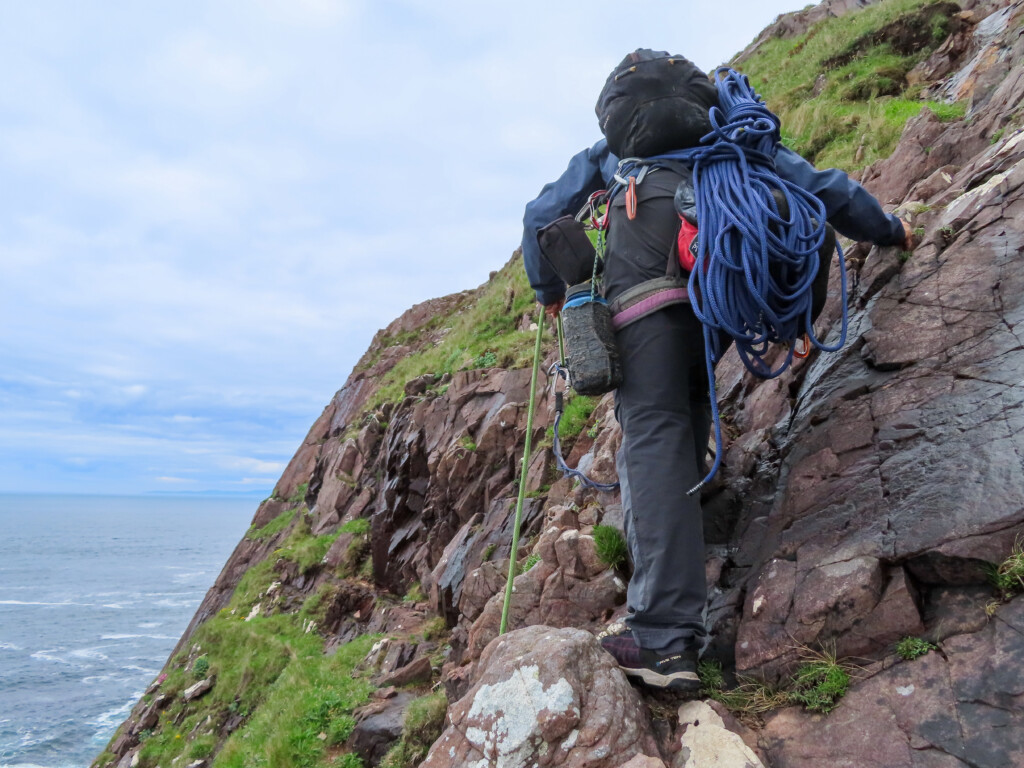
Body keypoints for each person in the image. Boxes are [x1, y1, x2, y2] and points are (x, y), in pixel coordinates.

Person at [520, 50, 912, 691]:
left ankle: (662, 642)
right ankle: (687, 568)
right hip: (719, 303)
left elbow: (540, 216)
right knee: (686, 412)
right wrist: (891, 229)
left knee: (653, 435)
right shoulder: (731, 141)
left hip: (643, 304)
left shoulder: (612, 158)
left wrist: (547, 292)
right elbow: (826, 189)